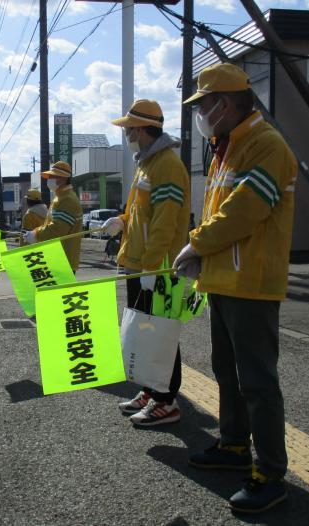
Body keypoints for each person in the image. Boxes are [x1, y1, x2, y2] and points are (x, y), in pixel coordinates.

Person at [173, 63, 296, 514]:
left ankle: (270, 472)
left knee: (258, 381)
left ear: (224, 104)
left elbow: (245, 210)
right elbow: (223, 214)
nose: (200, 114)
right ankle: (233, 445)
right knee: (228, 370)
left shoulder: (266, 145)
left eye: (203, 104)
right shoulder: (227, 147)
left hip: (252, 282)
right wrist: (202, 254)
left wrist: (196, 244)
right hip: (225, 279)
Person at [103, 99, 190, 426]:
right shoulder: (147, 163)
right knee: (143, 331)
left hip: (157, 267)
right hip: (139, 264)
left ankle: (166, 400)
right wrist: (122, 221)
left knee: (160, 334)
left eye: (128, 129)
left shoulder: (166, 164)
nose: (126, 134)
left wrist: (154, 269)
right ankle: (151, 392)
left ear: (140, 129)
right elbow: (142, 212)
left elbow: (165, 224)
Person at [24, 161, 82, 272]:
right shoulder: (60, 197)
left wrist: (36, 234)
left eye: (52, 176)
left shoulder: (67, 199)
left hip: (63, 260)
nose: (49, 179)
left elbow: (58, 229)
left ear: (64, 178)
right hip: (57, 257)